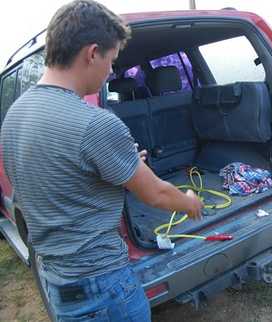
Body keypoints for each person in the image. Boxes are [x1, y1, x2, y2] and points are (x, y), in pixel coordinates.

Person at [0, 1, 203, 321]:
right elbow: (157, 194)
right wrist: (190, 203)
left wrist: (119, 164)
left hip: (59, 284)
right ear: (92, 53)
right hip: (104, 287)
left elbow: (55, 174)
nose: (112, 71)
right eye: (112, 60)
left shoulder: (14, 115)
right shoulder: (96, 123)